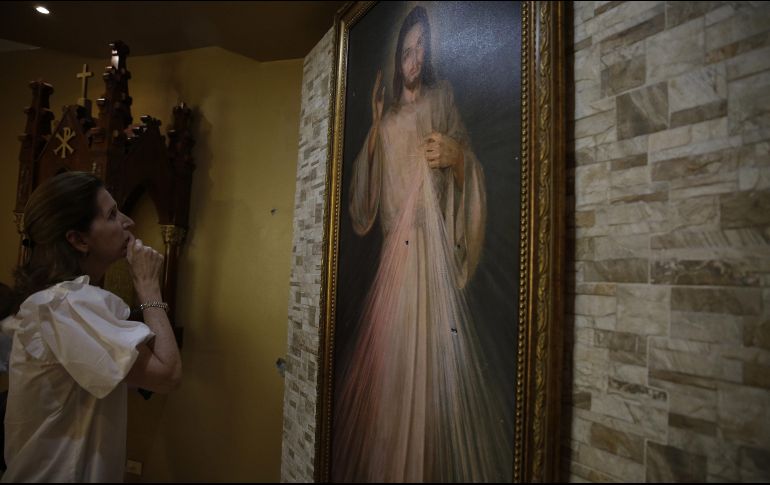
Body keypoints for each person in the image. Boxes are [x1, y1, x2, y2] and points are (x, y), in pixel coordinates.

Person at [332, 6, 509, 482]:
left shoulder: (442, 99)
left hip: (430, 261)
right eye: (405, 52)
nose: (412, 61)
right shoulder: (386, 119)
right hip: (396, 263)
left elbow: (468, 166)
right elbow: (362, 209)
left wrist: (457, 159)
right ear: (397, 57)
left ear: (428, 54)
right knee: (391, 381)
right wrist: (372, 130)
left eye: (420, 51)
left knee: (429, 382)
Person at [0, 171, 182, 482]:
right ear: (78, 239)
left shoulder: (63, 302)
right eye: (112, 214)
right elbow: (167, 375)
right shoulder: (67, 305)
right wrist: (149, 287)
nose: (129, 222)